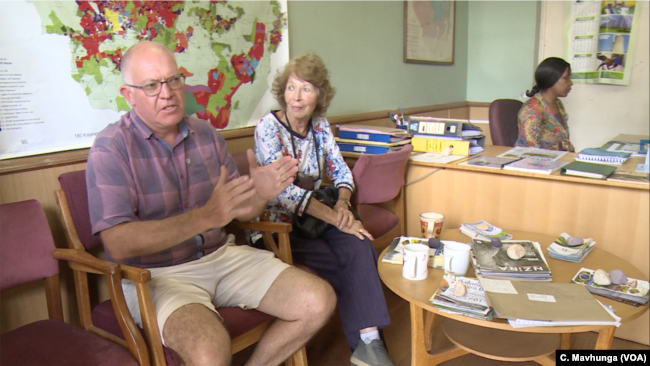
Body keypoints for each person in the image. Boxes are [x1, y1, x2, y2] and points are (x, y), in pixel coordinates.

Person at [86, 41, 337, 366]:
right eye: (151, 85)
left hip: (222, 257)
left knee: (318, 301)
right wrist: (205, 217)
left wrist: (260, 193)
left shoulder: (206, 134)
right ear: (129, 94)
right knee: (210, 350)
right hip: (154, 275)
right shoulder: (111, 147)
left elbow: (240, 210)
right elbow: (118, 242)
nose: (167, 93)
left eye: (174, 80)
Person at [252, 54, 396, 366]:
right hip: (280, 227)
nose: (297, 97)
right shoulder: (268, 128)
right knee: (348, 257)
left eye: (306, 88)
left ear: (320, 95)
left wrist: (343, 204)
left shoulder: (319, 126)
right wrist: (338, 219)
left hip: (315, 221)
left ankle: (370, 346)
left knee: (358, 243)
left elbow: (343, 173)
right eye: (291, 88)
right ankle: (369, 348)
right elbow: (283, 193)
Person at [515, 57, 575, 152]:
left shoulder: (558, 104)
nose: (570, 83)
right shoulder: (532, 108)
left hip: (559, 160)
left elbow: (563, 141)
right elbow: (529, 149)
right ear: (551, 79)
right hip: (539, 164)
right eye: (565, 78)